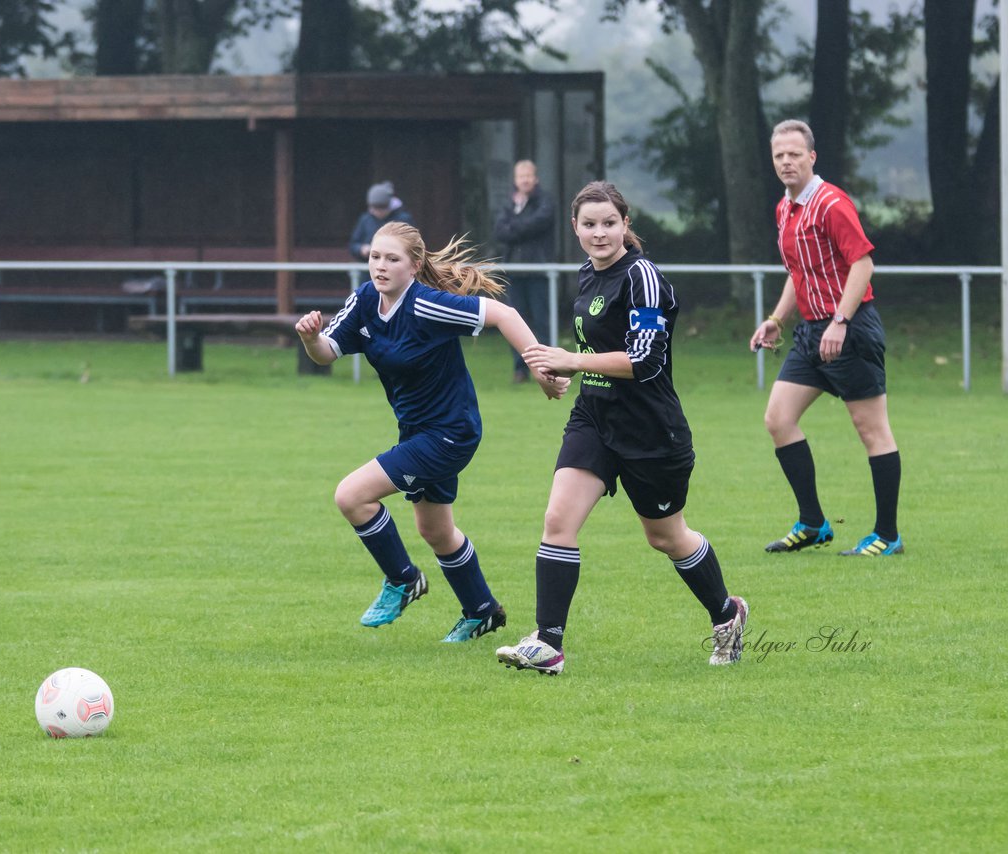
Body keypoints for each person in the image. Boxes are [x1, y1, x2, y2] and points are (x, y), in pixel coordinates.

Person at [494, 181, 749, 675]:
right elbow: (591, 356)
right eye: (589, 225)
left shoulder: (643, 277)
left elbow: (646, 358)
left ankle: (727, 614)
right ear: (575, 228)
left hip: (650, 430)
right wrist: (559, 373)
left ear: (626, 224)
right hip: (593, 418)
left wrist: (571, 357)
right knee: (557, 522)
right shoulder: (586, 274)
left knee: (666, 536)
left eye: (609, 223)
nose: (599, 233)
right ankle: (548, 644)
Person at [297, 221, 570, 643]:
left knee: (351, 495)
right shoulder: (366, 301)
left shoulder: (426, 305)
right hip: (418, 433)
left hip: (450, 433)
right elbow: (326, 354)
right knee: (436, 530)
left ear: (414, 265)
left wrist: (539, 366)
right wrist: (311, 338)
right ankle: (481, 611)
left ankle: (403, 580)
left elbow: (504, 313)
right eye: (375, 257)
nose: (380, 266)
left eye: (392, 259)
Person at [749, 119, 903, 557]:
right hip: (810, 332)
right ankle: (814, 523)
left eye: (794, 154)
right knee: (778, 419)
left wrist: (840, 321)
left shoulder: (831, 203)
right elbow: (798, 275)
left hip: (849, 329)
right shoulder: (785, 208)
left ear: (811, 157)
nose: (786, 162)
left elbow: (863, 265)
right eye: (779, 155)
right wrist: (777, 318)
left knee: (872, 430)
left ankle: (887, 535)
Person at [493, 160, 557, 383]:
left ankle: (549, 368)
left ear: (535, 178)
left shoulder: (546, 201)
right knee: (515, 322)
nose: (525, 180)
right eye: (521, 176)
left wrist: (514, 225)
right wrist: (518, 221)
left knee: (542, 321)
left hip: (538, 271)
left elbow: (540, 222)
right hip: (515, 272)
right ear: (515, 180)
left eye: (528, 176)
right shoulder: (509, 203)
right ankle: (520, 369)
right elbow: (499, 231)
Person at [348, 182, 414, 261]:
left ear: (388, 206)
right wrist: (361, 249)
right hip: (367, 268)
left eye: (381, 209)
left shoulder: (404, 219)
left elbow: (412, 245)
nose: (377, 212)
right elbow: (353, 245)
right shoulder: (365, 219)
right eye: (374, 209)